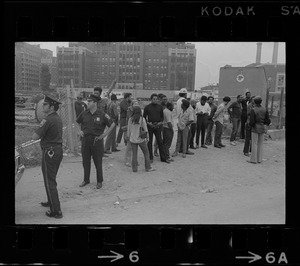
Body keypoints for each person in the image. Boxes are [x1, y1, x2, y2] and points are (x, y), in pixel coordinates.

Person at [32, 95, 64, 219]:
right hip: (57, 151)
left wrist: (38, 129)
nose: (42, 106)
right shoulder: (56, 118)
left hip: (49, 152)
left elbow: (35, 136)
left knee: (49, 181)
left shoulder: (48, 120)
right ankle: (51, 201)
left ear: (51, 107)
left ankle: (56, 211)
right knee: (50, 179)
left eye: (45, 104)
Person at [76, 94, 115, 189]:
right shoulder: (84, 113)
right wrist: (79, 131)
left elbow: (112, 124)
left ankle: (99, 181)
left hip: (96, 141)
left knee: (98, 162)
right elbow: (77, 122)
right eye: (87, 101)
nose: (87, 103)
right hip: (85, 140)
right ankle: (86, 180)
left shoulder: (102, 114)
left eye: (89, 101)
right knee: (85, 161)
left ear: (95, 103)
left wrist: (104, 135)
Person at [126, 106, 155, 172]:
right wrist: (147, 137)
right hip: (141, 139)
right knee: (146, 153)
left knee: (134, 154)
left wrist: (128, 137)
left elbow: (129, 130)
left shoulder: (130, 119)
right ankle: (148, 167)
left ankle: (134, 168)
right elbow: (145, 129)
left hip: (133, 139)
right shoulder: (142, 119)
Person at [143, 93, 170, 164]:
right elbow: (144, 118)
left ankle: (163, 158)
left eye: (156, 99)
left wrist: (160, 123)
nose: (155, 100)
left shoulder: (160, 107)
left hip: (158, 126)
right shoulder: (147, 107)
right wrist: (148, 123)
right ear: (151, 99)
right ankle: (150, 157)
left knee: (160, 142)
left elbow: (162, 117)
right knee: (150, 142)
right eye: (154, 99)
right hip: (150, 126)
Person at [248, 96, 271, 164]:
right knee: (260, 143)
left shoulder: (253, 109)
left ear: (254, 102)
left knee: (254, 144)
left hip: (255, 127)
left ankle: (253, 159)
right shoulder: (264, 109)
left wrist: (250, 126)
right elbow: (268, 120)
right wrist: (265, 124)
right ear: (261, 102)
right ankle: (259, 159)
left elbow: (252, 121)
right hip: (262, 127)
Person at [124, 100, 140, 167]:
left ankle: (135, 160)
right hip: (130, 131)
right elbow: (128, 121)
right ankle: (127, 161)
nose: (136, 105)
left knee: (135, 148)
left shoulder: (139, 112)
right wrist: (127, 134)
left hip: (136, 132)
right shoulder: (130, 111)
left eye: (137, 103)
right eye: (135, 104)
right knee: (129, 147)